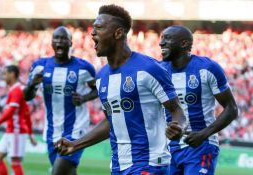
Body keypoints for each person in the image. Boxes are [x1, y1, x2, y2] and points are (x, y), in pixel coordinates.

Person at [55, 4, 186, 175]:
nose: (92, 33)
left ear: (118, 33)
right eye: (93, 28)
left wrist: (178, 127)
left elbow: (176, 110)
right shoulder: (101, 78)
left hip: (150, 163)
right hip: (118, 165)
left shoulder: (149, 69)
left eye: (99, 28)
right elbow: (111, 121)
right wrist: (75, 144)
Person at [159, 25, 238, 175]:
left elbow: (232, 108)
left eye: (167, 38)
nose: (161, 43)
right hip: (168, 148)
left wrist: (204, 133)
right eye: (161, 38)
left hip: (201, 145)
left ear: (184, 44)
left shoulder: (208, 68)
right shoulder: (159, 71)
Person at [23, 26, 98, 175]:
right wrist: (32, 84)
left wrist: (84, 98)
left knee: (57, 172)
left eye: (63, 38)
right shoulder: (40, 67)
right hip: (52, 131)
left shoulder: (84, 68)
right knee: (67, 172)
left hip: (76, 129)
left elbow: (98, 89)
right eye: (56, 38)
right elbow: (26, 96)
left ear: (70, 43)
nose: (59, 41)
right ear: (51, 42)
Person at [0, 65, 37, 175]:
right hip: (10, 131)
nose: (3, 77)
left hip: (16, 132)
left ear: (12, 74)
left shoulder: (18, 90)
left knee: (15, 163)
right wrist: (31, 134)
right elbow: (26, 113)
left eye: (5, 74)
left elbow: (10, 112)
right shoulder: (16, 90)